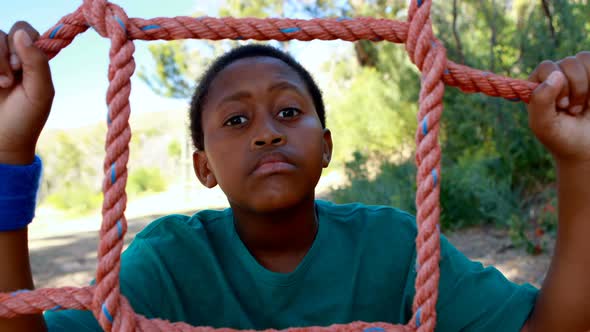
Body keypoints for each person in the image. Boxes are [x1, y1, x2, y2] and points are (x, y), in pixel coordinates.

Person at [0, 21, 589, 332]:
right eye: (236, 120)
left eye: (289, 112)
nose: (267, 133)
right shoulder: (167, 262)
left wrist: (579, 162)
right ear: (203, 167)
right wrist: (8, 154)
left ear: (326, 146)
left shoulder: (391, 247)